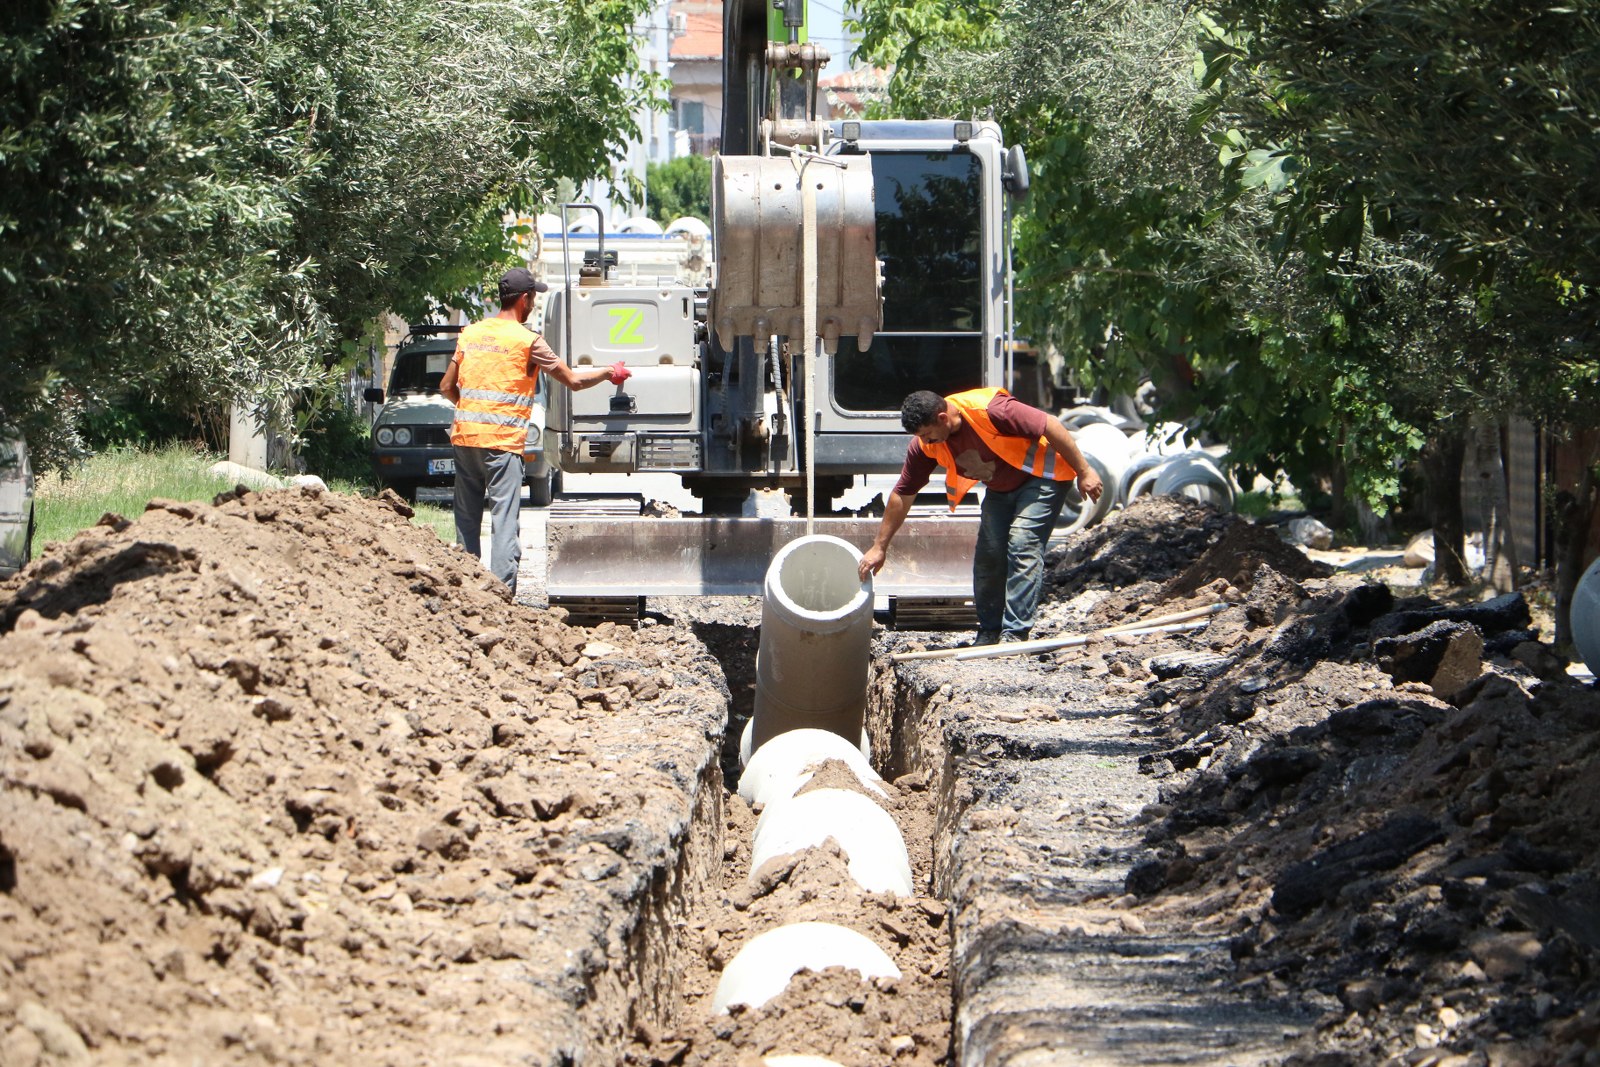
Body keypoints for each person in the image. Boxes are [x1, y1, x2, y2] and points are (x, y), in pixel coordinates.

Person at [857, 388, 1104, 645]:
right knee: (989, 556)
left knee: (1022, 543)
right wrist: (879, 547)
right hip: (1000, 487)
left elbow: (1049, 424)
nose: (926, 442)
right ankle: (989, 631)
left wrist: (1084, 471)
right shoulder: (924, 446)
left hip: (1043, 478)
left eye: (928, 435)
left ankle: (1015, 634)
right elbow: (903, 493)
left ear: (942, 418)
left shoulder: (991, 410)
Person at [440, 267, 629, 594]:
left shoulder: (471, 333)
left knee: (467, 519)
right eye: (533, 298)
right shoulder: (528, 341)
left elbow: (446, 386)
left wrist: (470, 410)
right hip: (501, 445)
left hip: (465, 437)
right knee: (503, 523)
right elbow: (573, 380)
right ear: (525, 299)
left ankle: (465, 591)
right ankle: (498, 597)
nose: (533, 304)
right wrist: (608, 372)